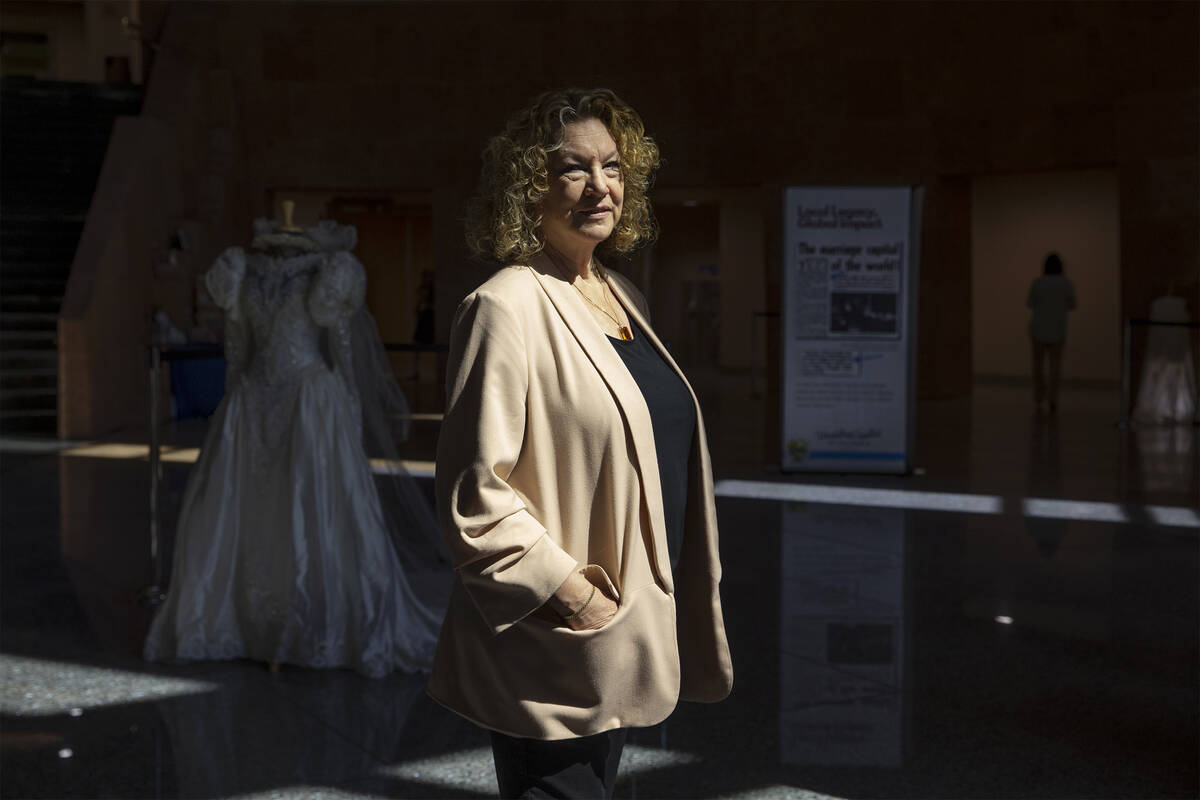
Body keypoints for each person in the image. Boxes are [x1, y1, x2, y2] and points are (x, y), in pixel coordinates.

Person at [429, 88, 733, 799]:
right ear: (528, 185)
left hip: (628, 632)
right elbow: (477, 495)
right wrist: (574, 598)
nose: (600, 186)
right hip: (559, 645)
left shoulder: (624, 296)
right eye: (574, 169)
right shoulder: (503, 307)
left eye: (614, 167)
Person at [144, 217, 442, 678]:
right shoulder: (241, 269)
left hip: (303, 402)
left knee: (307, 505)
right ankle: (249, 623)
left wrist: (347, 406)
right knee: (253, 509)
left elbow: (340, 346)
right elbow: (238, 348)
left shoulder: (326, 271)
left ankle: (307, 625)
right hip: (258, 403)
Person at [1026, 252, 1077, 412]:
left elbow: (1030, 303)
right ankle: (1053, 398)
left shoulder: (1038, 282)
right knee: (1055, 367)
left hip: (1038, 329)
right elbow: (1072, 304)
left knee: (1038, 366)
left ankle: (1039, 396)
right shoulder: (1066, 283)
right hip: (1058, 329)